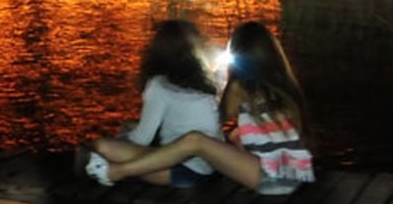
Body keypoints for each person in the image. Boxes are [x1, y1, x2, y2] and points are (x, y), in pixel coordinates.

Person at [83, 21, 314, 194]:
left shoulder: (240, 87)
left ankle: (116, 172)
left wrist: (215, 77)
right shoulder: (284, 85)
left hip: (271, 177)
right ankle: (119, 165)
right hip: (295, 174)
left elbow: (216, 121)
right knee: (221, 137)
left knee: (196, 141)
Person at [79, 20, 223, 188]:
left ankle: (104, 168)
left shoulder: (160, 84)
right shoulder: (202, 82)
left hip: (181, 171)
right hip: (210, 168)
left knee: (101, 146)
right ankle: (104, 166)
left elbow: (142, 139)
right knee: (128, 126)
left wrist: (121, 140)